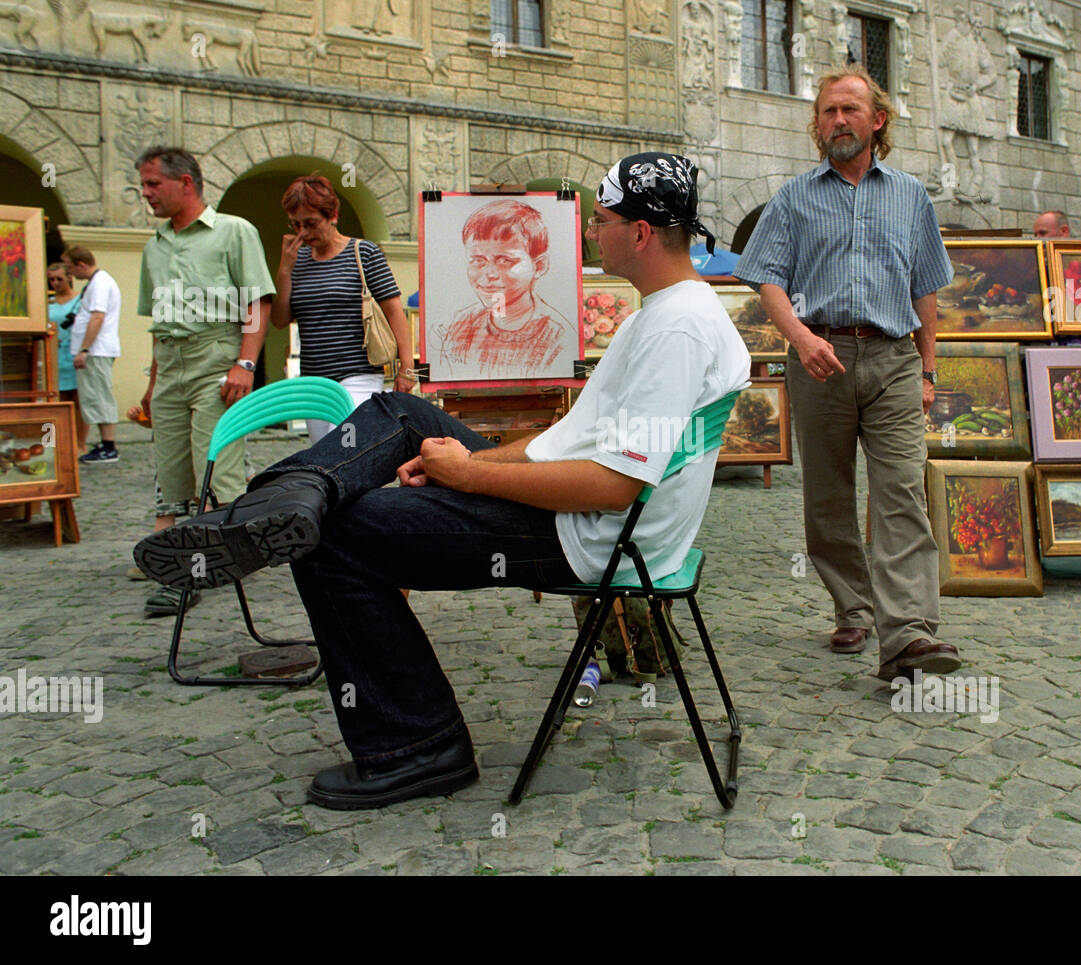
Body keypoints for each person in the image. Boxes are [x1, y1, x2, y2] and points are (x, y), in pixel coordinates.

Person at [134, 152, 750, 809]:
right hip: (585, 511)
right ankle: (285, 498)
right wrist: (464, 462)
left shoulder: (675, 328)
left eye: (600, 221)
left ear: (642, 233)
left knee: (328, 538)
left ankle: (420, 745)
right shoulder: (670, 309)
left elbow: (612, 486)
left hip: (588, 535)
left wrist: (469, 475)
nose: (592, 233)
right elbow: (567, 442)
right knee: (400, 413)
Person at [734, 64, 959, 680]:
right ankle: (851, 606)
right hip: (820, 360)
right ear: (818, 123)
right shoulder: (795, 197)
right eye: (828, 111)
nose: (838, 120)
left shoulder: (910, 195)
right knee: (829, 496)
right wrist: (801, 338)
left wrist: (928, 369)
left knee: (901, 492)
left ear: (876, 120)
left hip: (892, 358)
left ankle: (909, 634)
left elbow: (925, 290)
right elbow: (766, 277)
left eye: (850, 110)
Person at [135, 145, 276, 616]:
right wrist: (153, 386)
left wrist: (246, 364)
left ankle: (210, 563)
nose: (146, 193)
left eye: (154, 184)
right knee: (173, 471)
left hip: (216, 357)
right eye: (145, 184)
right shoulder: (154, 245)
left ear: (186, 183)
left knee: (217, 465)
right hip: (169, 362)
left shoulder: (234, 231)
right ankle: (198, 556)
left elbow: (257, 302)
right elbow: (159, 319)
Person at [272, 175, 416, 442]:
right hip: (314, 378)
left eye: (311, 223)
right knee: (323, 453)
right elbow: (280, 320)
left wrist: (406, 368)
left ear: (333, 215)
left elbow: (395, 311)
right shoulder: (298, 259)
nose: (303, 232)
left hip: (358, 373)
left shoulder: (364, 253)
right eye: (296, 224)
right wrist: (284, 269)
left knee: (343, 446)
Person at [441, 199, 575, 379]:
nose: (490, 274)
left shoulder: (558, 337)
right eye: (478, 260)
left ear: (540, 266)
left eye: (505, 260)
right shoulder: (460, 327)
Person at [63, 247, 122, 465]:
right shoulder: (98, 282)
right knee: (93, 396)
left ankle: (109, 446)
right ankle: (105, 444)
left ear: (81, 264)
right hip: (95, 350)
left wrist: (84, 349)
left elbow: (97, 317)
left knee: (99, 396)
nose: (71, 274)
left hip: (96, 350)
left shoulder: (100, 283)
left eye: (70, 267)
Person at [47, 261, 87, 453]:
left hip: (74, 354)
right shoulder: (49, 302)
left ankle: (80, 443)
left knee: (79, 402)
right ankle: (59, 442)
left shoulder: (80, 300)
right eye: (51, 279)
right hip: (54, 356)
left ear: (69, 278)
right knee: (58, 401)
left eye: (59, 279)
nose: (55, 283)